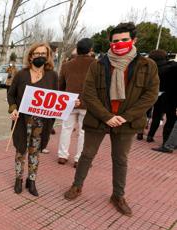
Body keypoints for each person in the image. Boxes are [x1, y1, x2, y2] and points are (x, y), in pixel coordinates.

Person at [63, 23, 159, 216]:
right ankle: (77, 185)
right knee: (86, 154)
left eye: (124, 39)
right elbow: (89, 93)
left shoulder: (147, 65)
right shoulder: (98, 64)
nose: (120, 43)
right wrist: (107, 116)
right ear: (110, 42)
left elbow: (150, 95)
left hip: (126, 121)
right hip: (99, 118)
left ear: (134, 40)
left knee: (121, 159)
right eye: (116, 41)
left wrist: (124, 117)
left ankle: (118, 195)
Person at [8, 42, 58, 196]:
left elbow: (57, 97)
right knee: (20, 151)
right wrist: (13, 108)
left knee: (35, 152)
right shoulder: (21, 74)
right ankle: (18, 179)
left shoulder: (52, 76)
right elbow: (11, 94)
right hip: (22, 121)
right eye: (37, 54)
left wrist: (71, 103)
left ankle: (32, 180)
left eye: (43, 54)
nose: (40, 56)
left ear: (48, 56)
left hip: (41, 123)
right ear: (31, 56)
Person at [57, 38, 97, 168]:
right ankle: (79, 158)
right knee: (83, 131)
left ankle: (62, 155)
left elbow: (60, 85)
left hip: (69, 101)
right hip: (88, 103)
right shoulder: (97, 65)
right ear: (91, 50)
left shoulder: (66, 65)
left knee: (66, 128)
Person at [145, 50, 177, 143]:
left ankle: (144, 134)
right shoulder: (171, 67)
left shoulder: (150, 68)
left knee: (150, 115)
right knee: (163, 118)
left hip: (151, 94)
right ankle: (157, 139)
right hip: (167, 96)